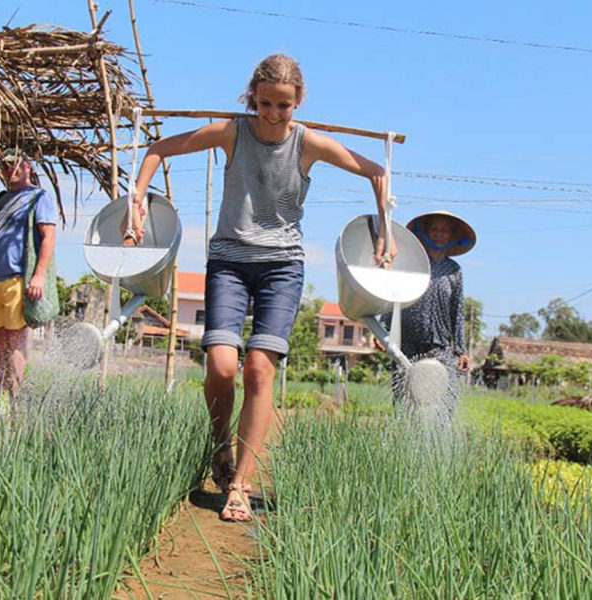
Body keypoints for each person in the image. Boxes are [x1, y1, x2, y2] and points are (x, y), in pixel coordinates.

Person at [130, 54, 394, 521]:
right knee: (222, 365)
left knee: (258, 369)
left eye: (284, 106)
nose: (272, 114)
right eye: (265, 103)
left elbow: (377, 171)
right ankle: (220, 449)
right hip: (230, 260)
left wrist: (386, 233)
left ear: (299, 102)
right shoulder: (233, 132)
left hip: (281, 267)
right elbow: (157, 150)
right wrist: (136, 201)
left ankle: (241, 484)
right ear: (253, 94)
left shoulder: (308, 144)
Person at [385, 210, 476, 416]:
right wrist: (385, 329)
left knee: (445, 395)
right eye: (434, 229)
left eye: (443, 230)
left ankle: (440, 437)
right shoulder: (413, 263)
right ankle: (401, 437)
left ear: (451, 236)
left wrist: (461, 349)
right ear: (426, 233)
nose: (438, 233)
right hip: (407, 340)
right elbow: (394, 295)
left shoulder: (454, 271)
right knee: (404, 397)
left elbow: (457, 310)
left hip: (439, 343)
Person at [0, 149, 56, 404]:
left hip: (17, 278)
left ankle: (14, 399)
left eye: (14, 164)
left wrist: (38, 276)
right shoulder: (3, 198)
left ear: (27, 166)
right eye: (4, 165)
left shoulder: (38, 197)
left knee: (15, 342)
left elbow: (48, 236)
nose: (8, 169)